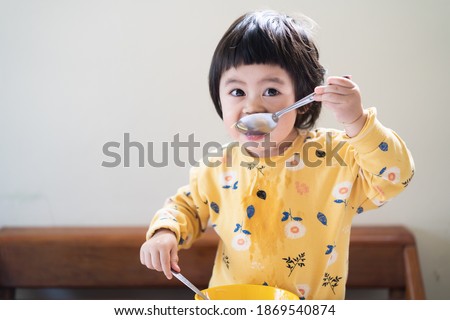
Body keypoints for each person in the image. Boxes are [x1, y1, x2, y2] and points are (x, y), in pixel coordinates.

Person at [139, 10, 414, 299]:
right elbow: (188, 208)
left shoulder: (338, 156)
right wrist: (164, 232)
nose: (252, 107)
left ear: (304, 101)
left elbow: (395, 176)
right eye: (236, 92)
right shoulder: (217, 167)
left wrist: (357, 121)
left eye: (270, 90)